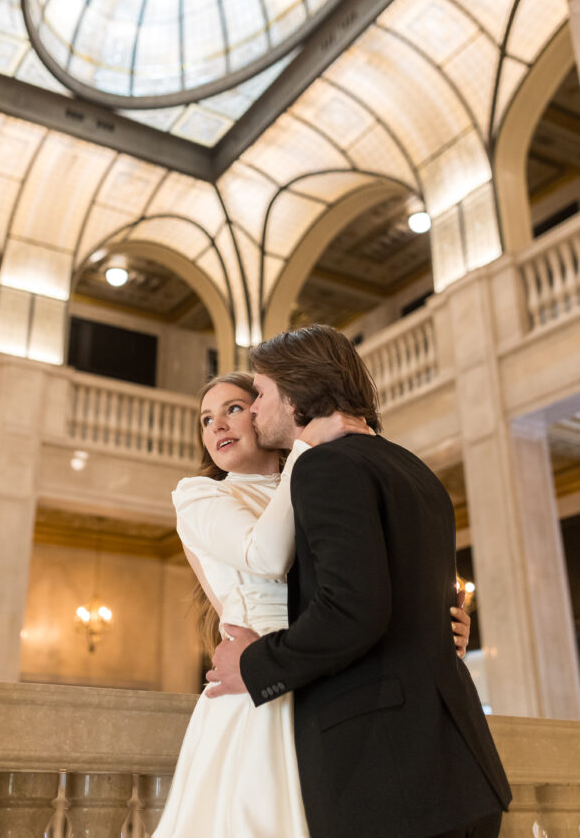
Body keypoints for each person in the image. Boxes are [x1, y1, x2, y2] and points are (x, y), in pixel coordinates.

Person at [208, 326, 512, 838]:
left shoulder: (324, 467)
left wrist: (255, 665)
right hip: (464, 768)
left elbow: (353, 609)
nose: (254, 409)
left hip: (389, 778)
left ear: (297, 390)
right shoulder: (416, 470)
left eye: (260, 393)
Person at [153, 370, 472, 838]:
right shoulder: (200, 494)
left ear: (264, 414)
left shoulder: (317, 485)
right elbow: (263, 555)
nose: (216, 425)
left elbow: (359, 593)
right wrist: (306, 448)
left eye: (234, 408)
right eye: (206, 419)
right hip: (257, 687)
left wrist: (434, 630)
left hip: (332, 682)